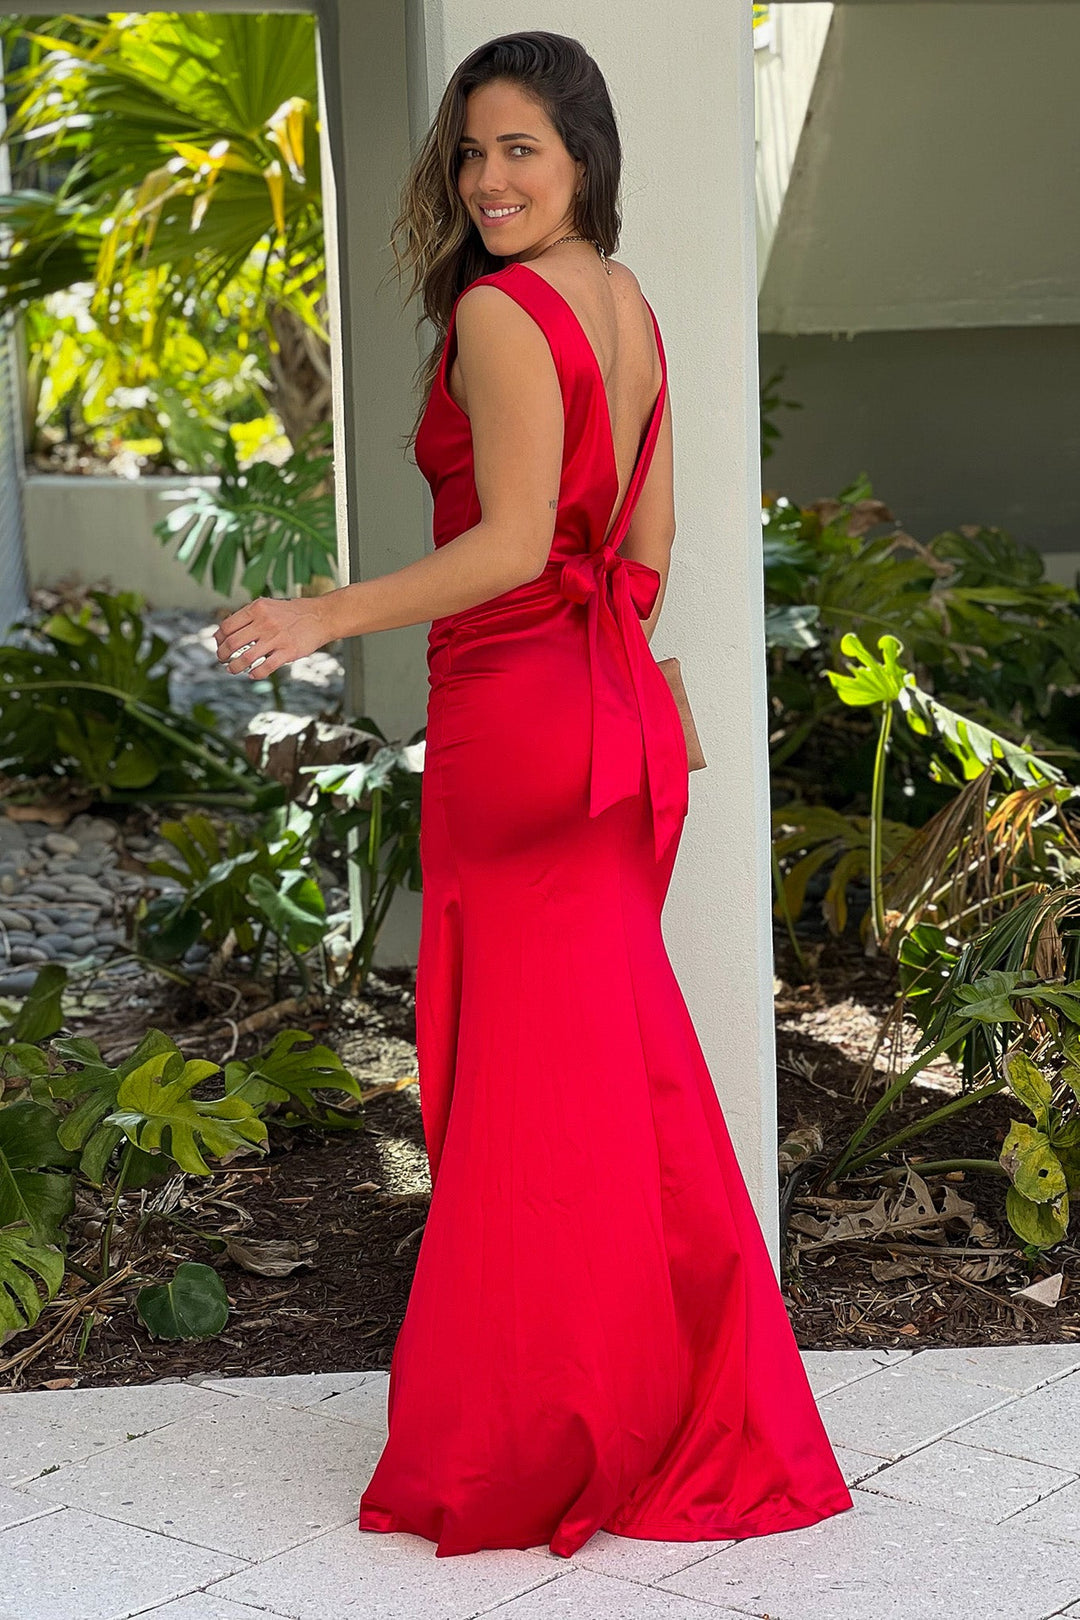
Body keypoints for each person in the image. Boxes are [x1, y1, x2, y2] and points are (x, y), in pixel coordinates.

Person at [214, 29, 853, 1562]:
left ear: (582, 164)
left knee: (520, 1103)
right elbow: (646, 550)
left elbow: (508, 548)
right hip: (609, 720)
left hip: (517, 727)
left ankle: (537, 1440)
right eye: (475, 149)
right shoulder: (628, 307)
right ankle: (665, 1410)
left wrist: (323, 615)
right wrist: (592, 664)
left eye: (523, 152)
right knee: (618, 1091)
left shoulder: (504, 314)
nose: (490, 178)